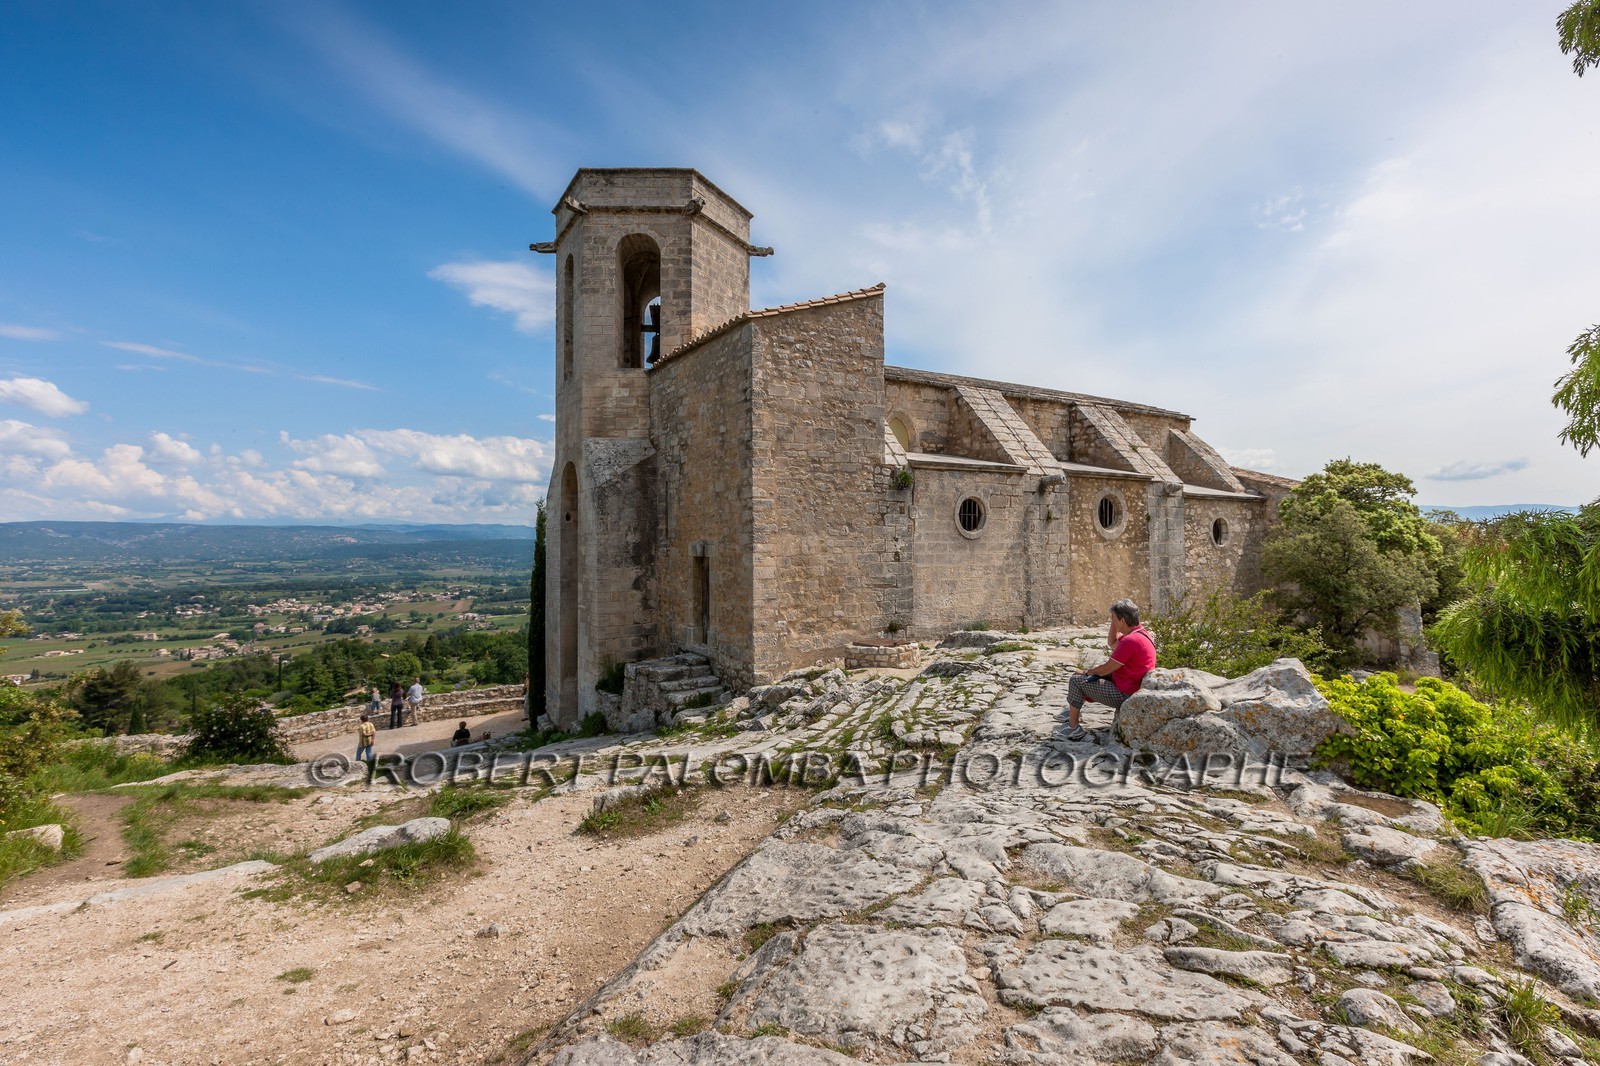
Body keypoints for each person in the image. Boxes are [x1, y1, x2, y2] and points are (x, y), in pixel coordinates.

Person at [1064, 598, 1156, 742]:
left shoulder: (1130, 641)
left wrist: (1088, 672)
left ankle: (1073, 727)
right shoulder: (1142, 634)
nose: (1111, 622)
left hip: (1124, 694)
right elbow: (1113, 643)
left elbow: (1107, 668)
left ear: (1122, 621)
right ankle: (1073, 710)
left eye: (1113, 619)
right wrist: (1115, 622)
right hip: (1131, 685)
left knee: (1076, 680)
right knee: (1083, 675)